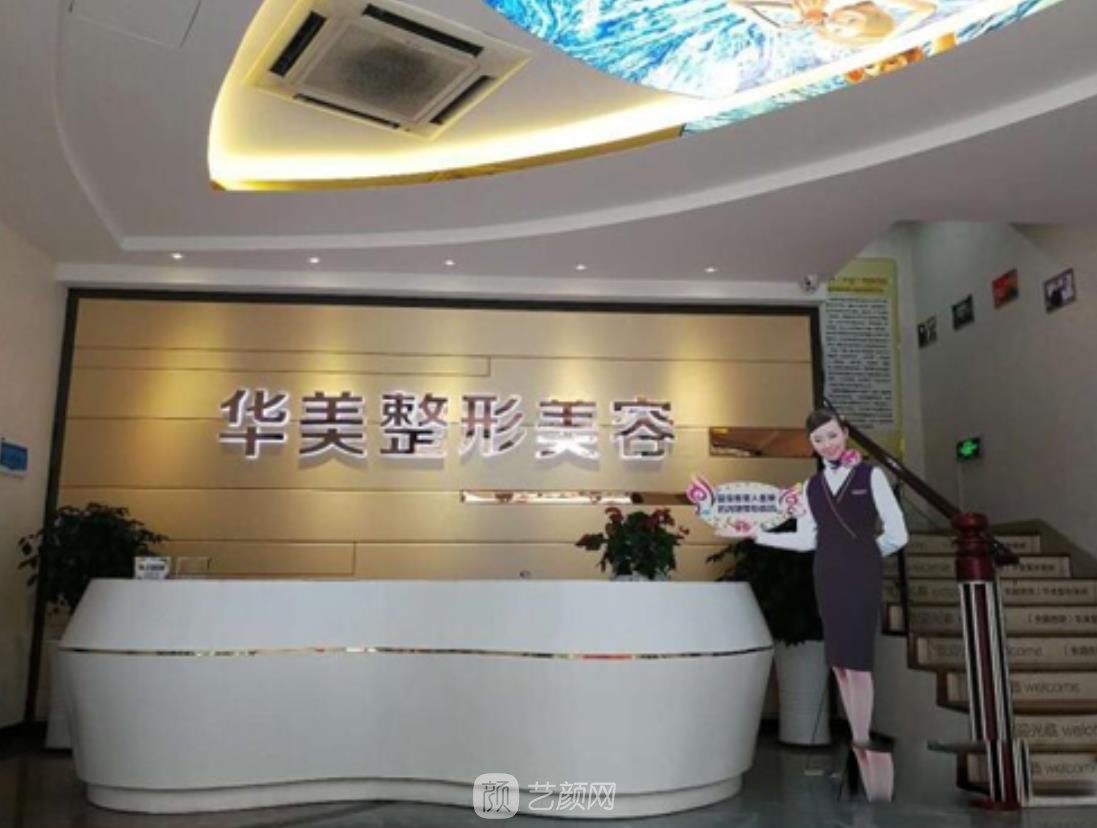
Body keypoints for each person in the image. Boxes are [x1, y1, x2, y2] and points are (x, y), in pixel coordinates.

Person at [750, 408, 908, 801]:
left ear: (845, 432)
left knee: (858, 660)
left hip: (860, 575)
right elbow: (807, 539)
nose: (827, 444)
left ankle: (862, 740)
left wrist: (867, 556)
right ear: (812, 445)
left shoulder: (871, 476)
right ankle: (857, 741)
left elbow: (898, 534)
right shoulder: (812, 487)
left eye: (832, 435)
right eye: (818, 440)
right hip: (827, 576)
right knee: (839, 662)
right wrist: (760, 536)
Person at [729, 0, 938, 47]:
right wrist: (891, 37)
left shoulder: (810, 8)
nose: (839, 21)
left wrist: (777, 27)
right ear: (872, 10)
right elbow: (927, 8)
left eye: (837, 28)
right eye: (851, 20)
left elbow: (737, 3)